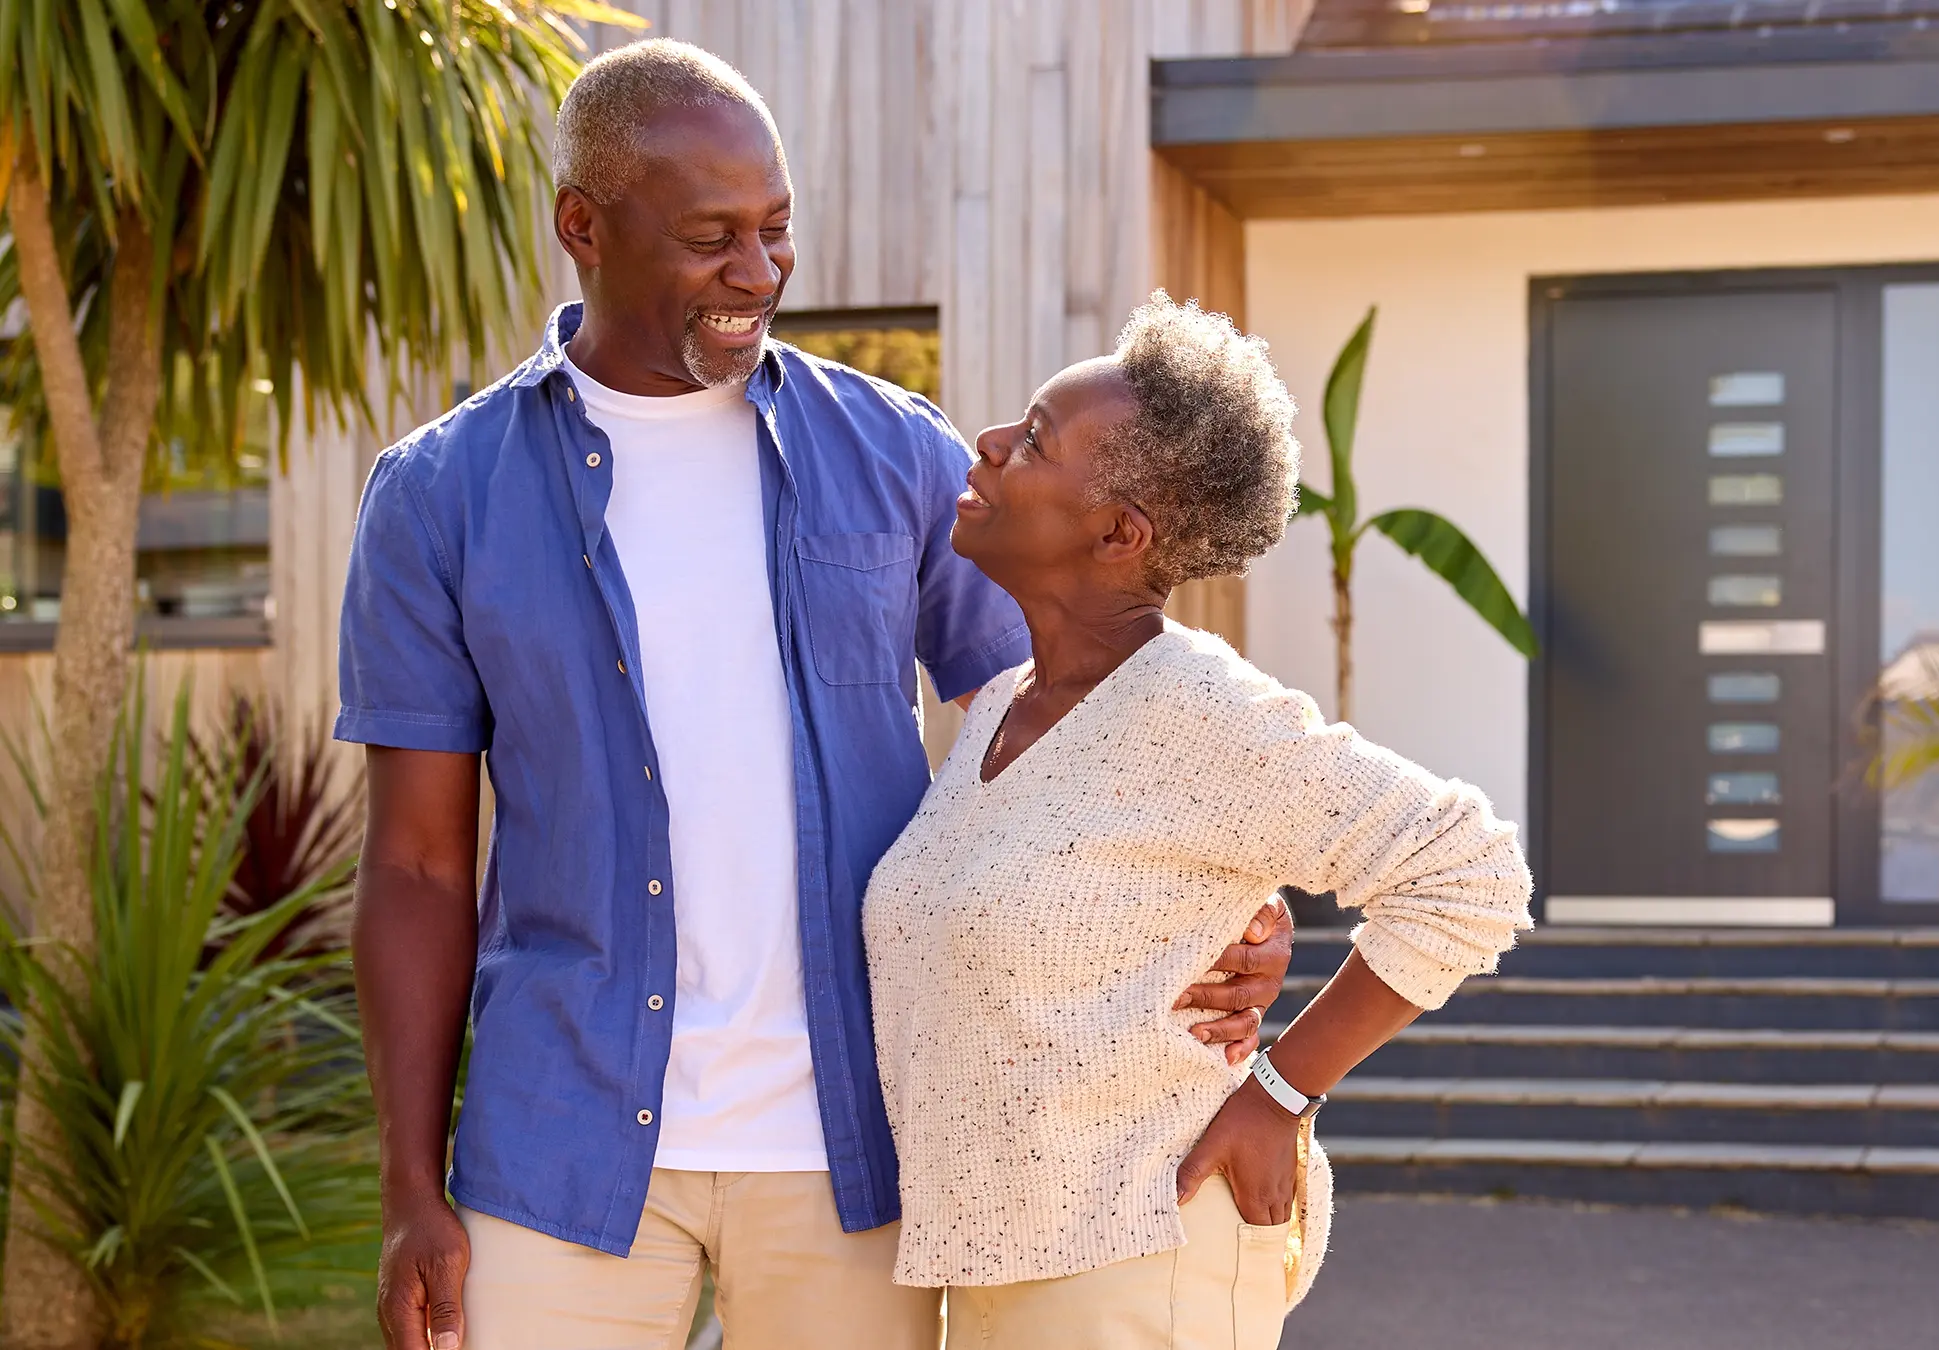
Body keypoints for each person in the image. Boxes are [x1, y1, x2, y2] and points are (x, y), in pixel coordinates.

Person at [337, 40, 1292, 1350]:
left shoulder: (895, 454)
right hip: (558, 1140)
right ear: (583, 225)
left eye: (777, 232)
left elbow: (1076, 719)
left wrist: (1220, 897)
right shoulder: (441, 495)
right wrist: (406, 1184)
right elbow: (420, 867)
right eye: (711, 237)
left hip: (857, 1136)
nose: (759, 274)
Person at [864, 293, 1536, 1349]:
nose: (988, 444)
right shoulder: (996, 710)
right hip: (989, 1273)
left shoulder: (1202, 713)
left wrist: (1281, 1089)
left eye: (1033, 442)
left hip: (1139, 1254)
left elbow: (1470, 875)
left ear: (1118, 532)